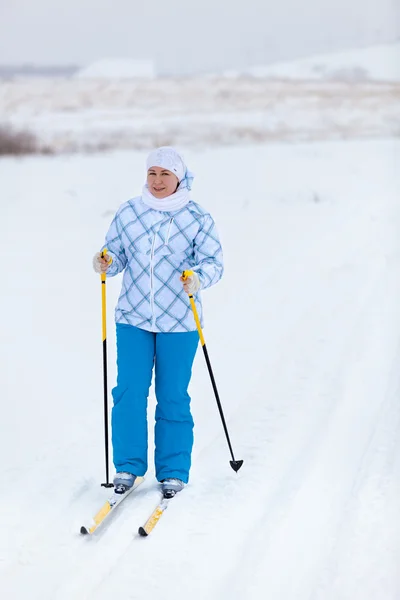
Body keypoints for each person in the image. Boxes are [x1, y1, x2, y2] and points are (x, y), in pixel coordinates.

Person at [93, 146, 224, 498]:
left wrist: (197, 278)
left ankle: (174, 469)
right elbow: (116, 253)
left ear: (179, 178)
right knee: (129, 393)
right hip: (133, 317)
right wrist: (106, 260)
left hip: (180, 321)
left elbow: (214, 263)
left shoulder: (197, 217)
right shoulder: (130, 212)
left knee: (172, 396)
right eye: (152, 173)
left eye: (165, 174)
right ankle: (128, 466)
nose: (157, 181)